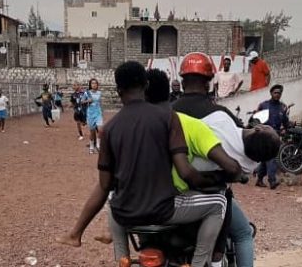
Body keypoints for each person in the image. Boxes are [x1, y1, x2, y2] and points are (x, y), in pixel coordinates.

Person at [56, 61, 240, 267]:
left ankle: (121, 260)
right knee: (219, 203)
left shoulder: (109, 129)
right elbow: (186, 172)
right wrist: (212, 181)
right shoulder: (168, 118)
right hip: (163, 210)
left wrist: (77, 230)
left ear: (118, 90)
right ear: (145, 85)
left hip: (125, 213)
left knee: (114, 206)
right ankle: (199, 263)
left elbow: (104, 185)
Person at [173, 52, 260, 267]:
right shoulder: (221, 114)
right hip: (212, 193)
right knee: (243, 234)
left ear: (182, 82)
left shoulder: (166, 112)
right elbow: (239, 150)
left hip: (171, 194)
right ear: (210, 82)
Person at [255, 84, 289, 190]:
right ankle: (272, 180)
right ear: (271, 93)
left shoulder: (282, 107)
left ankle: (259, 179)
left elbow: (285, 122)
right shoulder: (263, 105)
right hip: (264, 135)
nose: (277, 95)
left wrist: (288, 128)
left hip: (276, 135)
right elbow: (256, 118)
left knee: (267, 158)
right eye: (275, 93)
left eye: (279, 93)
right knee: (271, 158)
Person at [82, 79, 103, 154]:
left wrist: (101, 112)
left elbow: (100, 103)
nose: (94, 84)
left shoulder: (99, 93)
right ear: (90, 85)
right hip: (90, 113)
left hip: (98, 113)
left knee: (100, 129)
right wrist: (88, 101)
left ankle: (98, 144)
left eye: (95, 83)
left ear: (97, 85)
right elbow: (82, 101)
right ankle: (91, 147)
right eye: (92, 83)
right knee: (92, 131)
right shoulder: (87, 93)